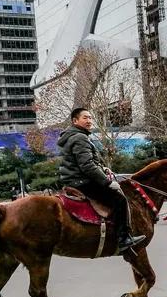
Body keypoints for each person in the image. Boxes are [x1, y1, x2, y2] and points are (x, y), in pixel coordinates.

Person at [58, 107, 146, 253]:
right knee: (119, 199)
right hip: (81, 181)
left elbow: (89, 162)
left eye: (90, 118)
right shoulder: (79, 137)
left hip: (75, 179)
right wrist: (107, 182)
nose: (89, 121)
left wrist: (104, 169)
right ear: (75, 121)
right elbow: (87, 166)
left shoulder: (76, 136)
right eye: (85, 118)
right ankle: (123, 239)